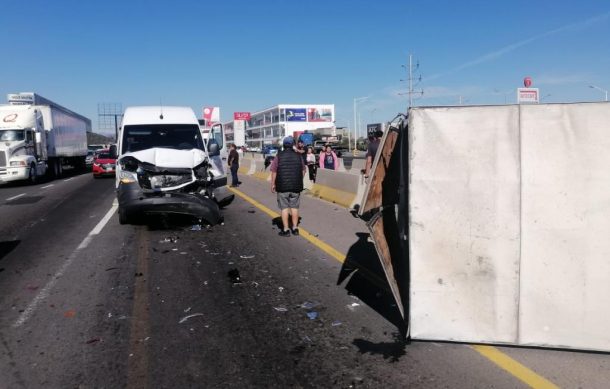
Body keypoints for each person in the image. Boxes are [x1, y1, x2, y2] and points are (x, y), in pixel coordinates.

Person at [270, 136, 306, 236]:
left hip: (282, 187)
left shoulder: (279, 156)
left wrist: (273, 184)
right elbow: (304, 170)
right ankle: (295, 228)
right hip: (296, 186)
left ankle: (286, 230)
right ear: (293, 145)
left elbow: (274, 171)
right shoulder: (298, 156)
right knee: (294, 208)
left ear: (284, 145)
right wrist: (299, 179)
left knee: (284, 208)